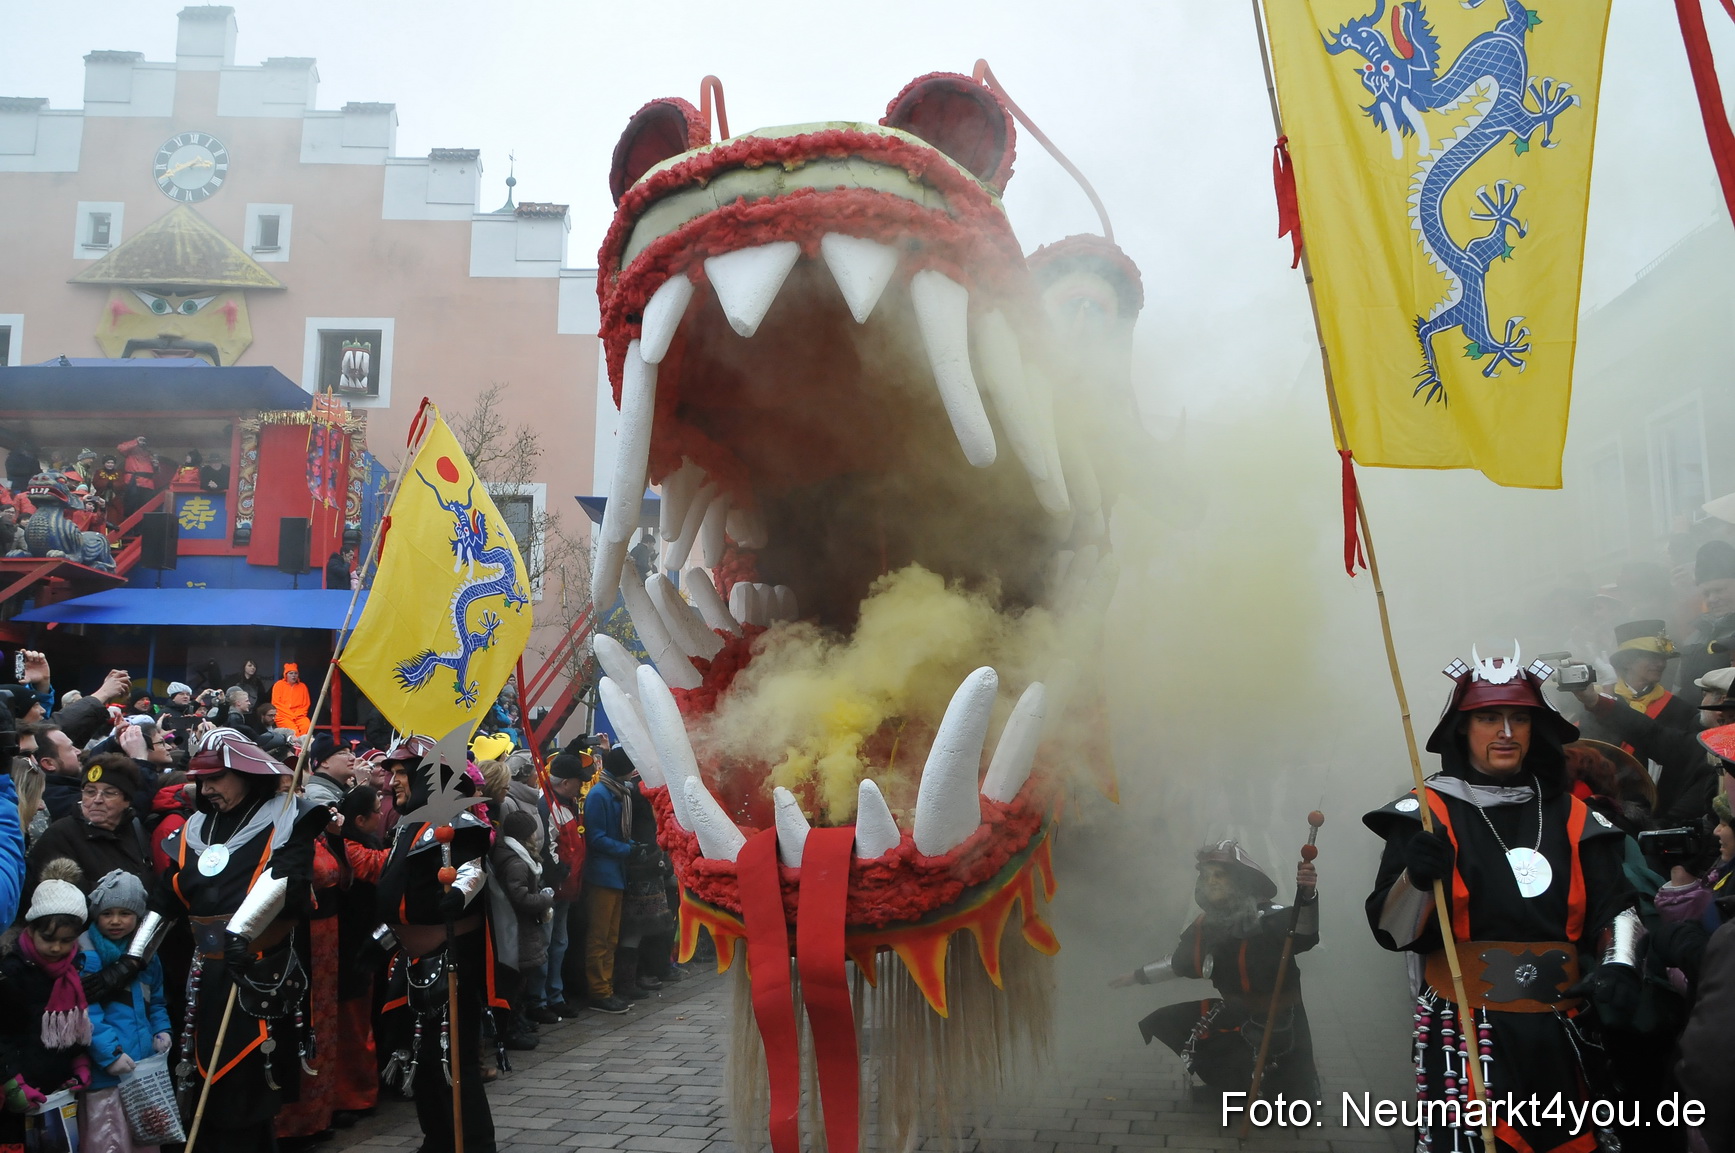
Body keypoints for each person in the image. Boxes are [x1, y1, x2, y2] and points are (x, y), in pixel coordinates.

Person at [1365, 648, 1639, 1153]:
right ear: (1462, 729)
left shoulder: (1575, 815)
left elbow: (1616, 905)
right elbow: (1391, 931)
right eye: (1489, 718)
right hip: (1467, 1028)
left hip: (1563, 1027)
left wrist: (1620, 963)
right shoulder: (1426, 813)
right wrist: (1416, 880)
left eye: (1520, 718)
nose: (1506, 732)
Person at [149, 727, 331, 1152]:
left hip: (257, 974)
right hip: (203, 979)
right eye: (201, 780)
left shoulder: (291, 817)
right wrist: (133, 957)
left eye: (216, 778)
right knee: (204, 1090)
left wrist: (240, 936)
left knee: (246, 1095)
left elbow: (289, 880)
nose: (207, 789)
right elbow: (165, 899)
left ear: (247, 773)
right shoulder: (193, 828)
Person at [1109, 842, 1319, 1102]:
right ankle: (1233, 1086)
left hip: (1281, 1018)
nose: (1212, 882)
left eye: (1220, 875)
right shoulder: (1207, 925)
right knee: (1173, 1021)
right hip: (1236, 1013)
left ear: (1240, 880)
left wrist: (1307, 896)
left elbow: (1305, 935)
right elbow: (1181, 962)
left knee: (1288, 1097)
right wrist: (1137, 976)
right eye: (1207, 876)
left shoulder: (1274, 918)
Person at [375, 735, 497, 1153]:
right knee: (422, 1061)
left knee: (452, 1062)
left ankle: (472, 1146)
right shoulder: (406, 825)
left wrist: (459, 892)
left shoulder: (458, 824)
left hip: (450, 962)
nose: (392, 782)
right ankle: (438, 1142)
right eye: (392, 773)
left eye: (401, 773)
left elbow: (474, 868)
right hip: (411, 961)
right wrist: (377, 943)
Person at [0, 859, 93, 1148]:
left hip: (57, 1091)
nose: (56, 948)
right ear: (31, 929)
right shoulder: (12, 972)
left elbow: (74, 1026)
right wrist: (12, 1082)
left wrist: (78, 1060)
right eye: (48, 938)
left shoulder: (73, 970)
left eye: (66, 941)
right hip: (18, 1091)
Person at [79, 869, 172, 1153]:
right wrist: (110, 1055)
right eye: (107, 913)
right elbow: (87, 1012)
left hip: (142, 1068)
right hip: (106, 1073)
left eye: (125, 913)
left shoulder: (146, 955)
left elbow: (156, 999)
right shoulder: (87, 954)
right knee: (109, 1139)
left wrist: (161, 1029)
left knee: (146, 1136)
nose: (116, 921)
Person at [331, 786, 388, 1128]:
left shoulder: (364, 843)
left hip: (367, 942)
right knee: (352, 1026)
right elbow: (380, 866)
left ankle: (365, 1088)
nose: (382, 816)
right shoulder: (349, 849)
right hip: (348, 946)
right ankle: (354, 1095)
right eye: (377, 811)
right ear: (361, 820)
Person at [25, 754, 151, 902]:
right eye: (90, 792)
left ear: (127, 801)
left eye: (109, 793)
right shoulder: (59, 835)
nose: (97, 800)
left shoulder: (136, 829)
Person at [490, 810, 553, 1050]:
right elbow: (520, 897)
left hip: (517, 926)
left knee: (518, 979)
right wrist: (545, 899)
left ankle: (518, 1022)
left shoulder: (511, 855)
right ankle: (511, 1030)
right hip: (517, 927)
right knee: (514, 981)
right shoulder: (517, 862)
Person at [583, 747, 636, 1014]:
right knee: (600, 937)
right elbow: (596, 838)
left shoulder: (618, 791)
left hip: (615, 872)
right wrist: (628, 849)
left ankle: (607, 987)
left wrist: (634, 846)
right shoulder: (600, 794)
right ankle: (599, 991)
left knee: (611, 936)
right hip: (602, 874)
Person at [541, 750, 589, 1018]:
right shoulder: (549, 806)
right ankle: (543, 999)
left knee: (559, 942)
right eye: (578, 781)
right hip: (555, 888)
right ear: (565, 782)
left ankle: (555, 995)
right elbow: (547, 846)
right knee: (548, 945)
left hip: (567, 888)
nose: (581, 785)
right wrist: (560, 874)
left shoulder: (568, 803)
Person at [1603, 620, 1698, 736]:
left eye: (1663, 658)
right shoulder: (1601, 700)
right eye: (1652, 657)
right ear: (1626, 662)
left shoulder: (1680, 710)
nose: (1661, 664)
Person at [301, 733, 354, 808]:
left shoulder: (338, 789)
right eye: (343, 753)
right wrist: (362, 789)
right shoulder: (318, 794)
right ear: (324, 762)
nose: (352, 758)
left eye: (351, 753)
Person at [272, 663, 312, 737]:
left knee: (306, 725)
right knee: (293, 731)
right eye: (291, 673)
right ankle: (297, 744)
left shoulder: (303, 686)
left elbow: (306, 704)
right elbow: (276, 703)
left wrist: (297, 714)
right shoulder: (278, 685)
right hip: (282, 716)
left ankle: (304, 743)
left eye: (295, 673)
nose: (294, 675)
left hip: (299, 716)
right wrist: (290, 715)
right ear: (285, 675)